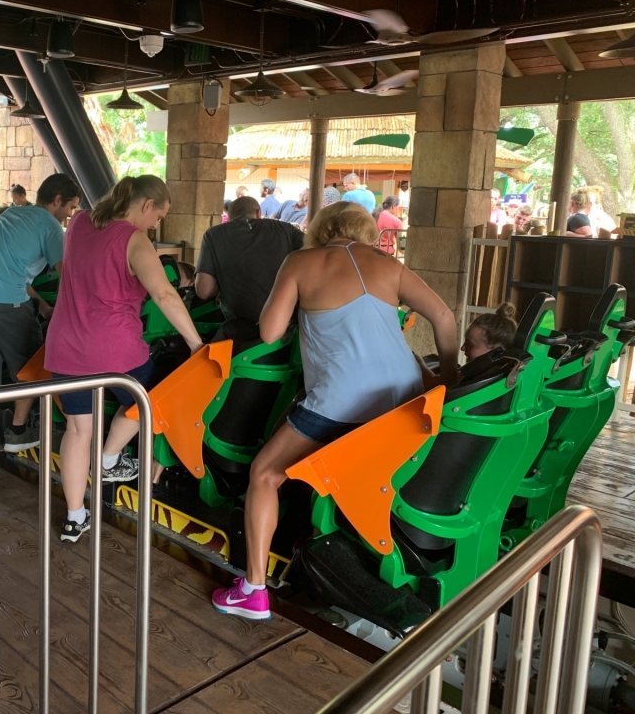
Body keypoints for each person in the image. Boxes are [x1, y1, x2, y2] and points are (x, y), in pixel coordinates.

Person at [210, 202, 459, 620]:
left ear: (321, 230)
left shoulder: (300, 261)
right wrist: (449, 378)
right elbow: (444, 316)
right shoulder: (386, 263)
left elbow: (270, 332)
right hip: (404, 402)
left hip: (343, 401)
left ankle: (252, 589)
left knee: (265, 475)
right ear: (365, 233)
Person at [45, 176, 204, 542]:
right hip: (115, 350)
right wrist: (195, 343)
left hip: (66, 346)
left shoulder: (80, 222)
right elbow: (164, 294)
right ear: (146, 204)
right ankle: (109, 458)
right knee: (150, 400)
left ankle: (74, 517)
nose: (156, 224)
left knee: (77, 430)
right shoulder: (136, 240)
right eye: (158, 215)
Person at [0, 173, 81, 490]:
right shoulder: (51, 227)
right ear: (57, 201)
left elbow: (13, 273)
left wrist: (39, 303)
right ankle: (17, 430)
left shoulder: (11, 214)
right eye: (71, 207)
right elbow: (68, 279)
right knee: (36, 365)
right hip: (4, 306)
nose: (71, 214)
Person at [195, 196, 305, 326]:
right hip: (285, 324)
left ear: (229, 217)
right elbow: (317, 250)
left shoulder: (213, 235)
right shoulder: (286, 229)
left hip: (238, 326)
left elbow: (203, 291)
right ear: (259, 212)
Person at [417, 302, 518, 389]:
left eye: (470, 345)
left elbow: (434, 384)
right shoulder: (494, 372)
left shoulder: (483, 378)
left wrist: (417, 362)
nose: (462, 348)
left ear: (495, 351)